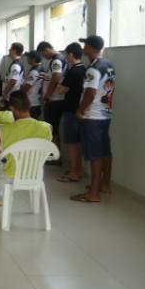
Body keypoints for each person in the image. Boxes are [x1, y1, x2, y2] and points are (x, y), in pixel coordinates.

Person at [71, 36, 115, 203]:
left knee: (95, 154)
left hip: (93, 116)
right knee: (105, 151)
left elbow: (90, 93)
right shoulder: (109, 65)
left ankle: (93, 193)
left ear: (90, 47)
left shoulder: (93, 69)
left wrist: (80, 110)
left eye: (85, 45)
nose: (83, 48)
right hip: (105, 114)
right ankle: (105, 185)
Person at [0, 91, 52, 206]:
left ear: (12, 109)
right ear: (30, 105)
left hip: (9, 175)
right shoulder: (46, 127)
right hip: (34, 173)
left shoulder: (4, 130)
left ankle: (0, 194)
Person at [56, 42, 87, 183]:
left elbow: (61, 90)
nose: (65, 58)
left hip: (70, 110)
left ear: (71, 55)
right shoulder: (84, 69)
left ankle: (74, 173)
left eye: (66, 55)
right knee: (78, 143)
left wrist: (58, 83)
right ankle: (78, 170)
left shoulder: (72, 71)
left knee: (72, 143)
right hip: (81, 110)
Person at [37, 41, 67, 150]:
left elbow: (56, 78)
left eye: (43, 54)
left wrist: (48, 96)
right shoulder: (59, 59)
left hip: (54, 100)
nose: (43, 57)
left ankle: (54, 156)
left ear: (46, 49)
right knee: (52, 128)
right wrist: (46, 76)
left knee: (51, 128)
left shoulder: (57, 60)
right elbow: (54, 77)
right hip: (56, 99)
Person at [21, 51, 44, 119]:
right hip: (35, 101)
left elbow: (27, 86)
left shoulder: (35, 71)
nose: (27, 59)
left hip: (32, 102)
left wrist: (20, 90)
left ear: (33, 59)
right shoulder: (39, 68)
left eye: (28, 58)